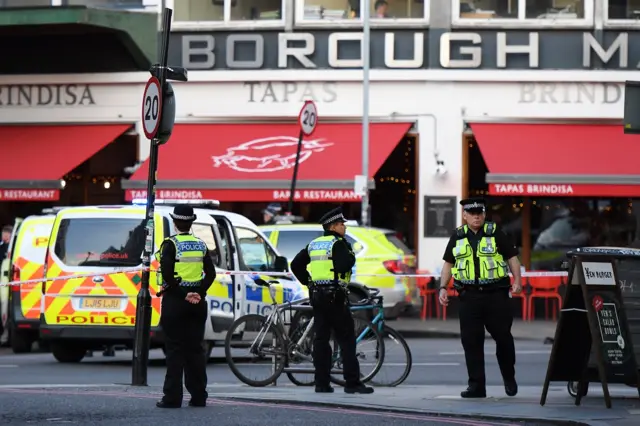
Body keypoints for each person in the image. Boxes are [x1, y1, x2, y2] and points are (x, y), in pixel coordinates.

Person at [438, 197, 522, 399]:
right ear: (465, 215)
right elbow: (448, 264)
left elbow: (512, 257)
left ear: (484, 215)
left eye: (480, 213)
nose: (476, 217)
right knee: (471, 343)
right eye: (472, 213)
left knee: (503, 339)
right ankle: (477, 387)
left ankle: (509, 378)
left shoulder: (495, 233)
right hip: (469, 296)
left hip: (496, 296)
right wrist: (442, 287)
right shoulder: (457, 237)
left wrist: (517, 280)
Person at [290, 207, 374, 394]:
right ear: (333, 226)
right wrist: (351, 256)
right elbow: (344, 264)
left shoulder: (314, 244)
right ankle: (352, 383)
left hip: (317, 296)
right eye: (342, 224)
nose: (344, 227)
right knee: (346, 339)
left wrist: (309, 282)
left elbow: (295, 265)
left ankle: (322, 383)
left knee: (321, 340)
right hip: (335, 297)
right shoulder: (338, 243)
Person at [156, 205, 216, 409]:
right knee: (195, 350)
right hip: (197, 304)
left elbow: (166, 274)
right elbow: (211, 274)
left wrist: (184, 294)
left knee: (174, 350)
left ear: (175, 221)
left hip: (176, 301)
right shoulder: (201, 245)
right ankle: (199, 396)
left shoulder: (170, 245)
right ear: (191, 222)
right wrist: (198, 293)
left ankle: (172, 398)